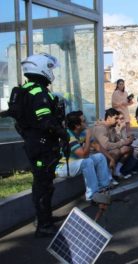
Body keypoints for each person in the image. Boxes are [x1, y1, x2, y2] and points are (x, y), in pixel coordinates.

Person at [16, 53, 68, 237]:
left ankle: (45, 217)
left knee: (44, 183)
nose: (51, 72)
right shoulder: (39, 93)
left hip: (35, 144)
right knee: (43, 185)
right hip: (42, 146)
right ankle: (43, 224)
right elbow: (46, 121)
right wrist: (64, 134)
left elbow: (21, 122)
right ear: (41, 68)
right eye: (50, 68)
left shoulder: (25, 90)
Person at [55, 111, 111, 201]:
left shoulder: (83, 132)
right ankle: (92, 196)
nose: (87, 122)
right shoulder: (68, 135)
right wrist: (88, 137)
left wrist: (111, 158)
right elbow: (84, 155)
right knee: (87, 162)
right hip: (64, 167)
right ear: (77, 125)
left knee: (100, 157)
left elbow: (97, 146)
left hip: (77, 163)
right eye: (84, 121)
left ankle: (104, 188)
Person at [93, 108, 134, 179]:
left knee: (128, 148)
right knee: (116, 151)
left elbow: (117, 140)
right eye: (116, 118)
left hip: (107, 151)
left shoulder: (111, 128)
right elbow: (106, 146)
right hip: (98, 154)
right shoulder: (100, 128)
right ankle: (109, 176)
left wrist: (128, 140)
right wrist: (124, 142)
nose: (118, 121)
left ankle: (116, 171)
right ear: (108, 118)